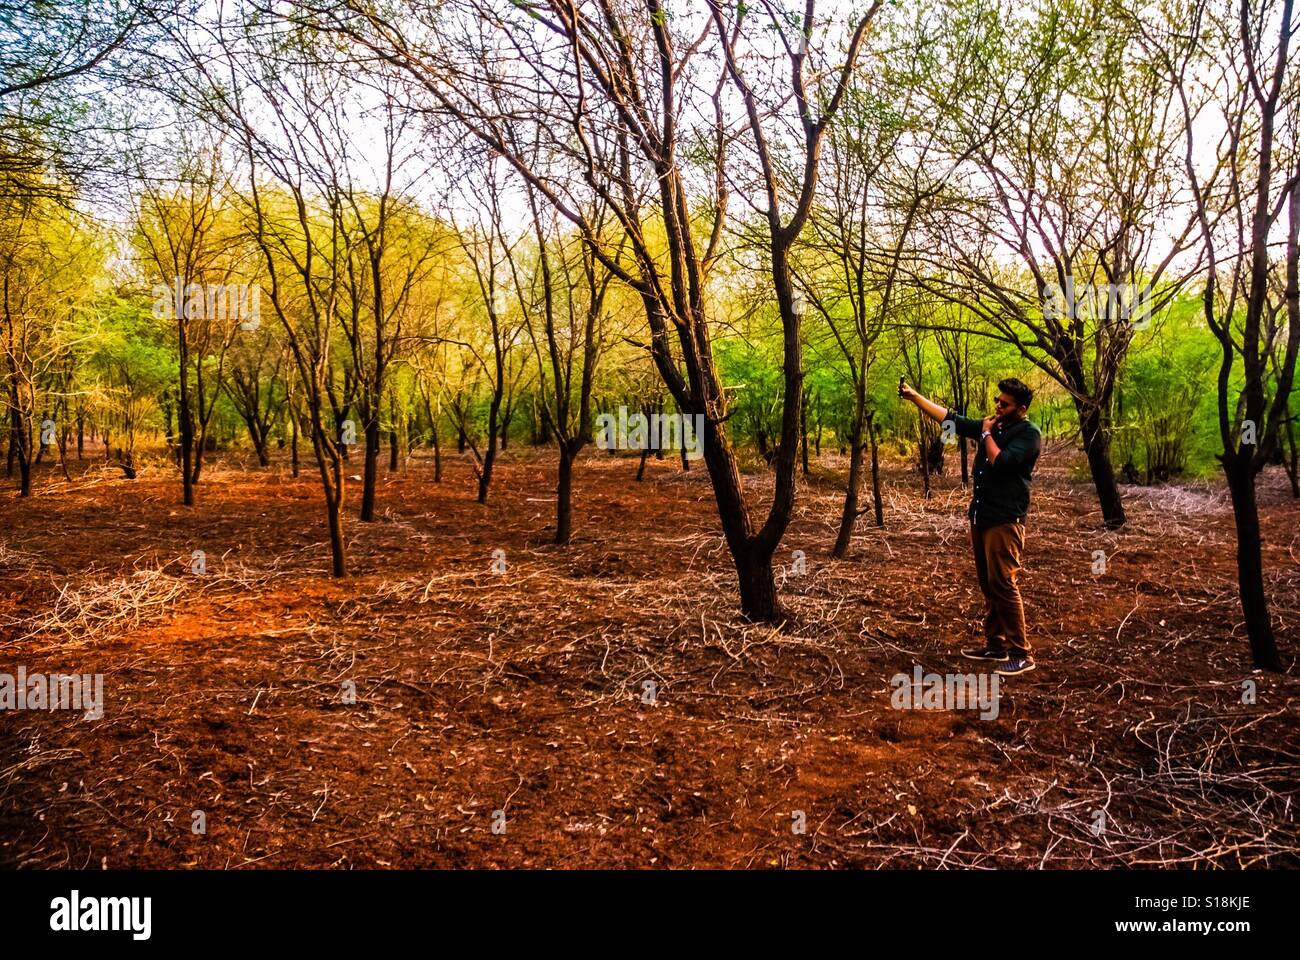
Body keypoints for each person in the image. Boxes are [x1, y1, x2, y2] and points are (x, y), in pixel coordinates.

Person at [898, 378, 1043, 675]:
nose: (997, 406)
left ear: (1021, 409)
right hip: (981, 514)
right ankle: (995, 644)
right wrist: (915, 397)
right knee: (988, 582)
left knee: (1003, 582)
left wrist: (987, 432)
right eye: (997, 400)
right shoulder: (994, 425)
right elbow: (951, 420)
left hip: (1005, 518)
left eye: (1005, 404)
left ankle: (1021, 652)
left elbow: (1000, 462)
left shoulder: (1028, 434)